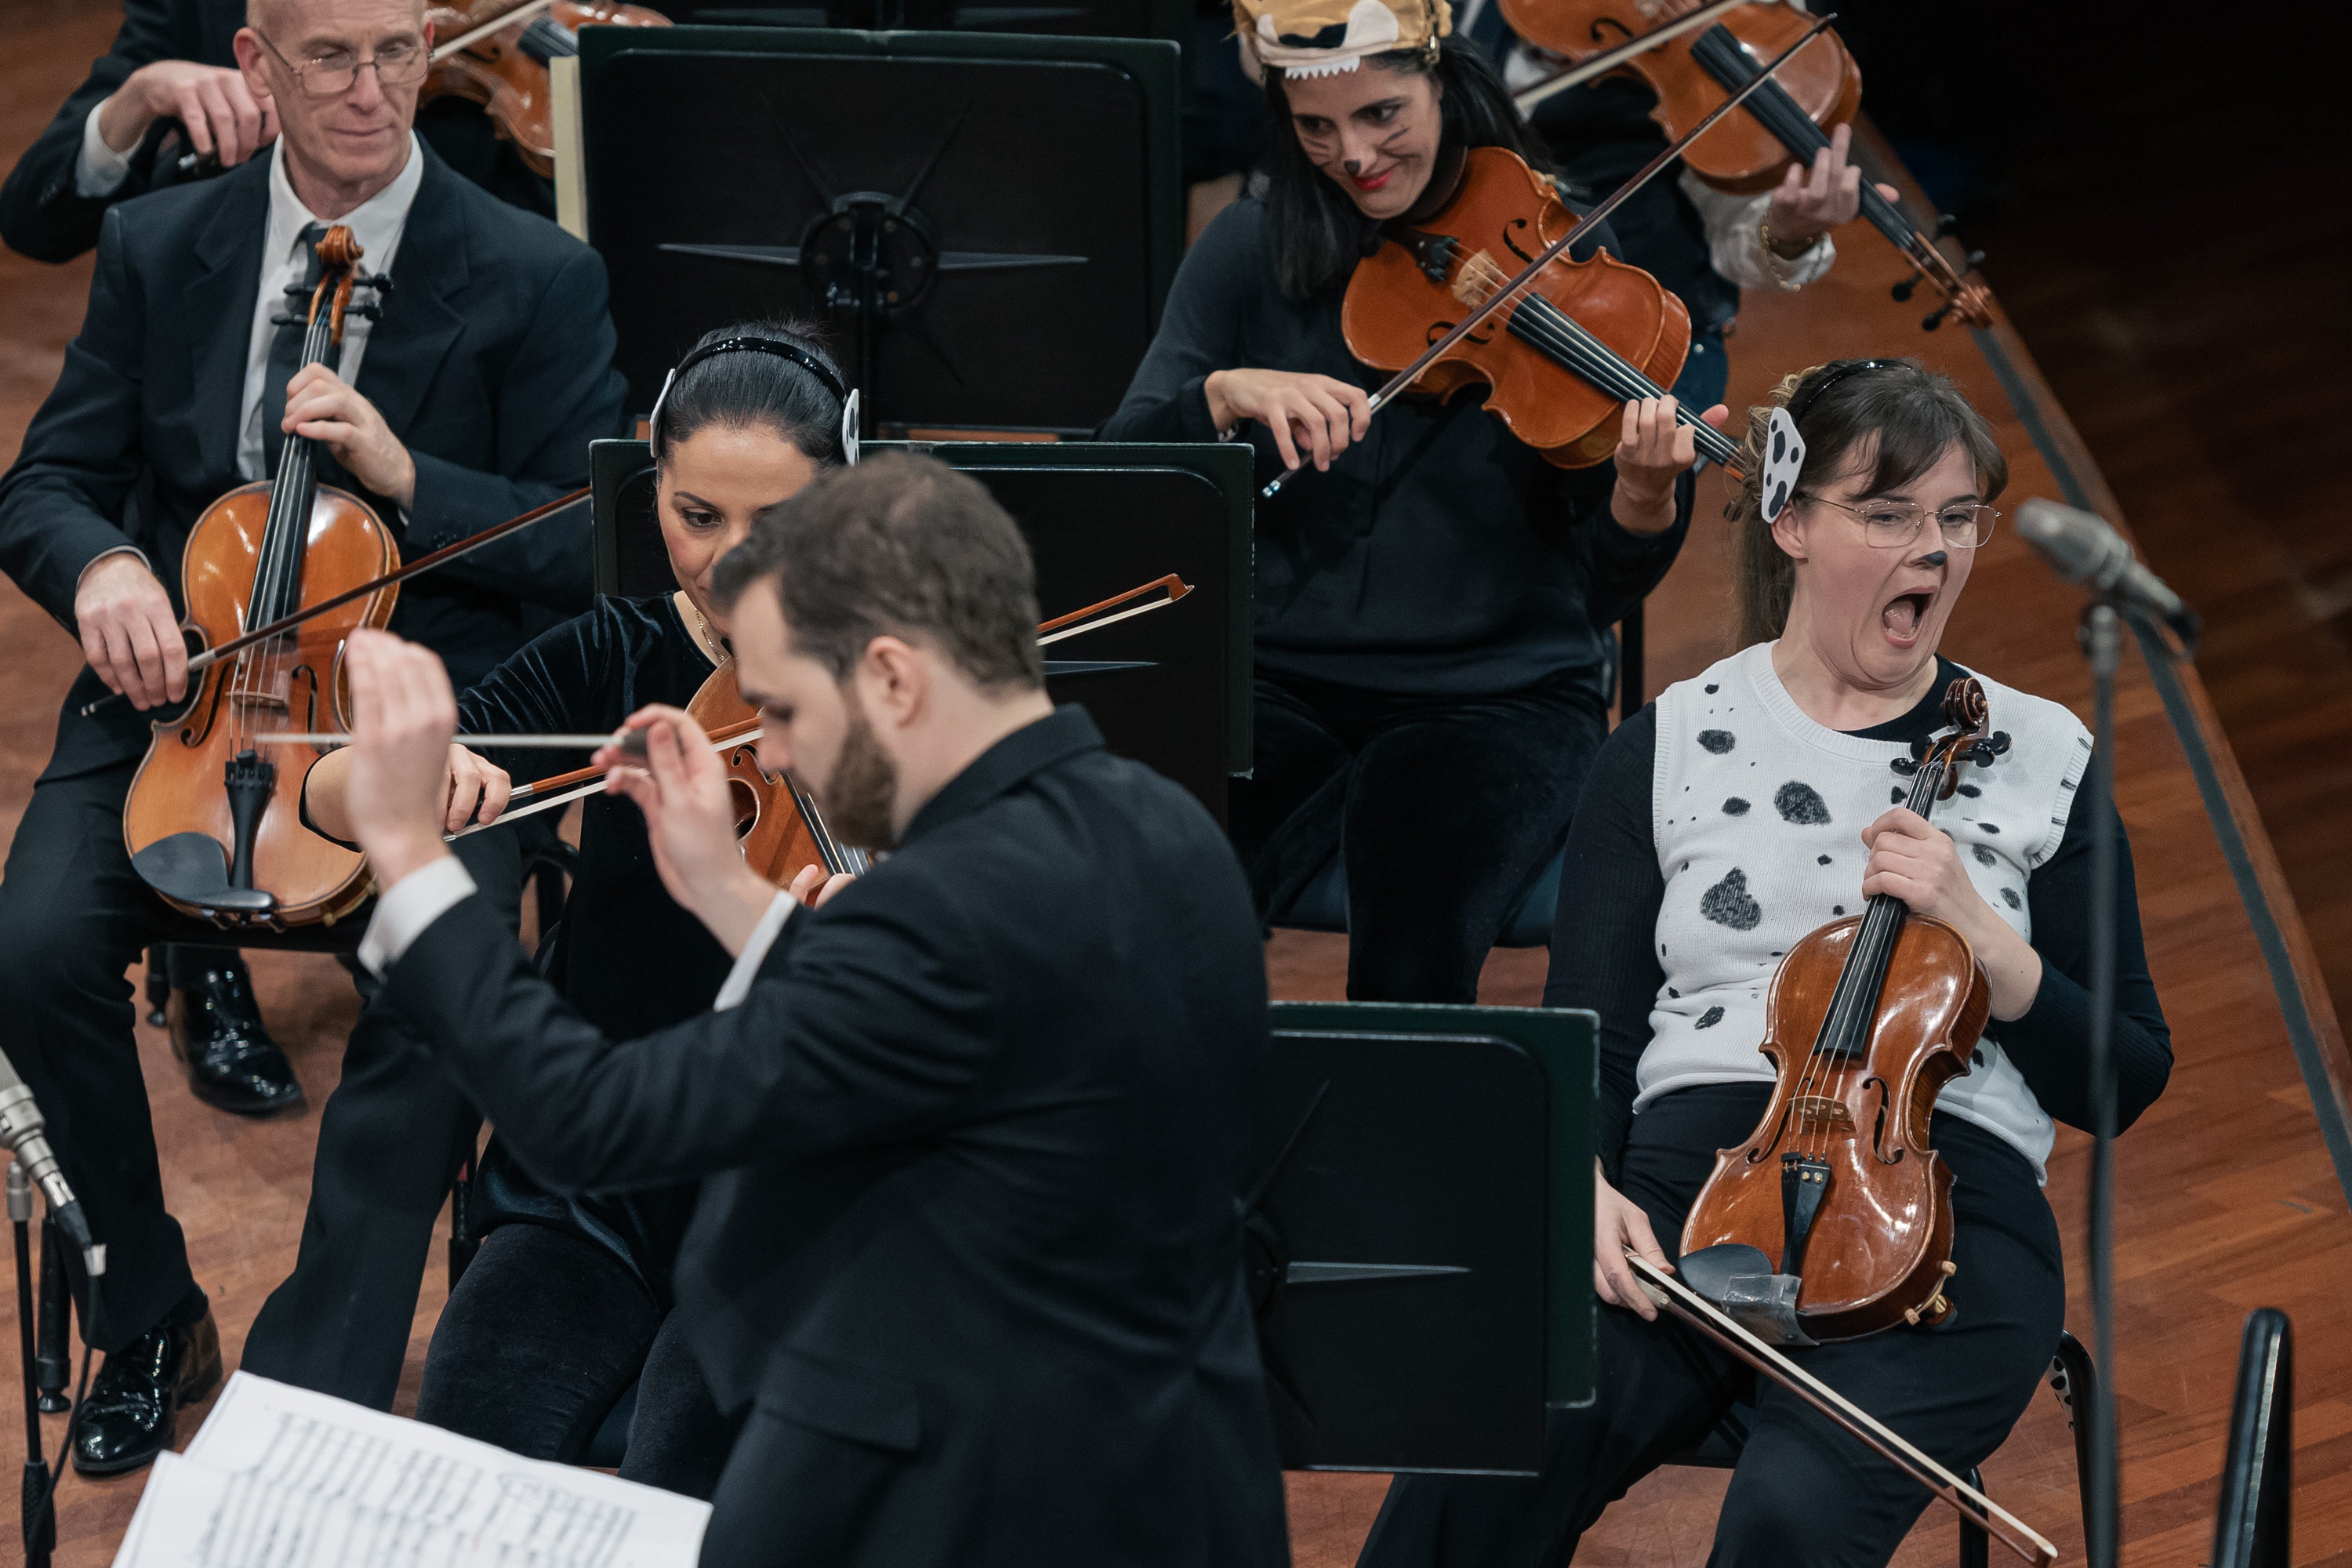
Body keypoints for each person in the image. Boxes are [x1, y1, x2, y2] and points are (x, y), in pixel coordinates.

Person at [328, 452, 1288, 1566]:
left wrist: (407, 853)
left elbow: (594, 1118)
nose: (770, 751)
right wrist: (730, 890)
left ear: (890, 678)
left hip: (972, 1498)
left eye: (782, 709)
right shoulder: (1169, 832)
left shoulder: (942, 908)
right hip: (1177, 1477)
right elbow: (943, 1050)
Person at [1358, 358, 2175, 1566]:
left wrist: (1988, 941)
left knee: (1789, 1516)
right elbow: (1596, 1029)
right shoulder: (1670, 741)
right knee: (1478, 1469)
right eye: (1889, 516)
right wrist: (1581, 1185)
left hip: (1944, 1225)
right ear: (1791, 522)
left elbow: (2125, 1076)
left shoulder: (2039, 751)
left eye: (1958, 520)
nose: (1934, 552)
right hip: (1685, 1211)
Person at [0, 0, 626, 1475]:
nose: (371, 91)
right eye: (329, 58)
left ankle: (313, 1384)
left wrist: (419, 476)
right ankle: (148, 1309)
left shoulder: (538, 271)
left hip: (424, 711)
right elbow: (49, 481)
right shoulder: (165, 247)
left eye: (398, 51)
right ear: (254, 65)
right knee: (28, 948)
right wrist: (102, 569)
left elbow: (602, 538)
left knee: (444, 985)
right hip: (192, 694)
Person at [299, 321, 852, 1494]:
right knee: (466, 1472)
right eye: (698, 517)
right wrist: (407, 780)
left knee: (685, 1493)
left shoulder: (906, 679)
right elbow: (323, 794)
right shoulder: (611, 653)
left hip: (793, 1203)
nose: (732, 564)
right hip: (593, 1175)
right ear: (654, 479)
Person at [1102, 0, 1715, 1003]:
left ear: (1445, 81)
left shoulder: (1551, 264)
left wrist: (1644, 496)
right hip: (1274, 678)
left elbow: (1595, 593)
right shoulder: (1248, 249)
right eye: (1317, 130)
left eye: (1384, 114)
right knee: (1147, 915)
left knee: (1412, 959)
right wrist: (1222, 397)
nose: (1355, 155)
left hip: (1495, 695)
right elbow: (1121, 478)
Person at [1466, 0, 1900, 411]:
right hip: (1467, 299)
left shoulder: (1742, 19)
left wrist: (1790, 233)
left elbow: (1738, 233)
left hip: (1639, 335)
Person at [0, 0, 555, 265]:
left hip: (463, 338)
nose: (367, 93)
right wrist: (142, 95)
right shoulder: (202, 10)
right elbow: (34, 222)